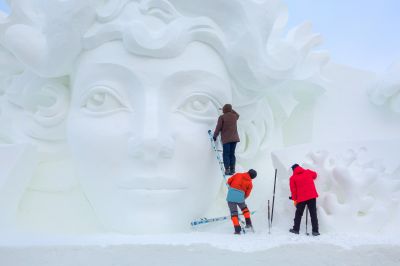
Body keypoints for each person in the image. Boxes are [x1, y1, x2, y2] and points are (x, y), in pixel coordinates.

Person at [289, 163, 320, 236]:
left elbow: (293, 190)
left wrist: (294, 199)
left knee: (298, 214)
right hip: (312, 196)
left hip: (301, 198)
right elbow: (315, 175)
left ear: (293, 170)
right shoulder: (308, 172)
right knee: (313, 214)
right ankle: (315, 231)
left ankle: (296, 229)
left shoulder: (293, 178)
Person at [226, 169, 257, 234]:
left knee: (233, 213)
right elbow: (247, 194)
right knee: (244, 209)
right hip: (240, 197)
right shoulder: (250, 183)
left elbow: (228, 181)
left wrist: (232, 187)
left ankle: (237, 229)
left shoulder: (238, 174)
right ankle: (248, 223)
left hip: (231, 195)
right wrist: (242, 198)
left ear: (248, 172)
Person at [213, 104, 240, 175]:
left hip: (227, 139)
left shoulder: (222, 117)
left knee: (226, 154)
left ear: (224, 109)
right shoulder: (234, 116)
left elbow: (218, 128)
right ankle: (233, 169)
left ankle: (227, 169)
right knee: (232, 154)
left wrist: (215, 136)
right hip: (235, 139)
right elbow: (238, 115)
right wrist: (231, 110)